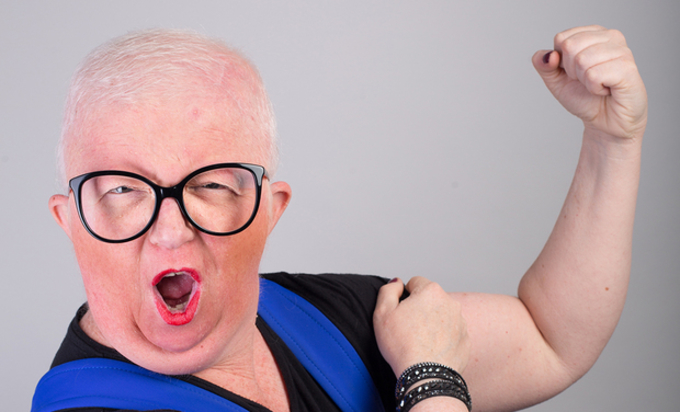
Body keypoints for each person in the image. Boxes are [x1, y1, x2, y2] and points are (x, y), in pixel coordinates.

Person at [34, 24, 647, 412]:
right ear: (69, 221)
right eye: (122, 190)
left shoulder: (325, 323)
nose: (170, 230)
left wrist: (611, 142)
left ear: (269, 211)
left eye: (212, 184)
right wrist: (431, 381)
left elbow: (549, 338)